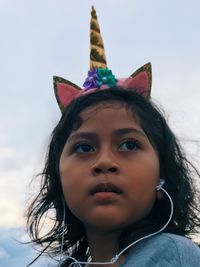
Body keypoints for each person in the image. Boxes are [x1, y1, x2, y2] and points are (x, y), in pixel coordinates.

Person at [26, 6, 200, 267]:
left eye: (129, 144)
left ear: (161, 172)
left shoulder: (173, 255)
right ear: (59, 180)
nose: (104, 162)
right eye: (83, 148)